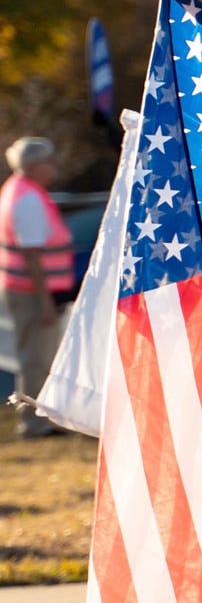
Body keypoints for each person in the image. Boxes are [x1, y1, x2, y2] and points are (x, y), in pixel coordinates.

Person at [1, 137, 74, 439]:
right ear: (34, 165)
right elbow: (31, 253)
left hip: (25, 289)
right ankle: (34, 422)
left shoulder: (19, 191)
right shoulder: (28, 198)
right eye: (50, 160)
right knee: (37, 358)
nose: (54, 165)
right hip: (33, 293)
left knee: (36, 356)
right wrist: (45, 302)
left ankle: (38, 417)